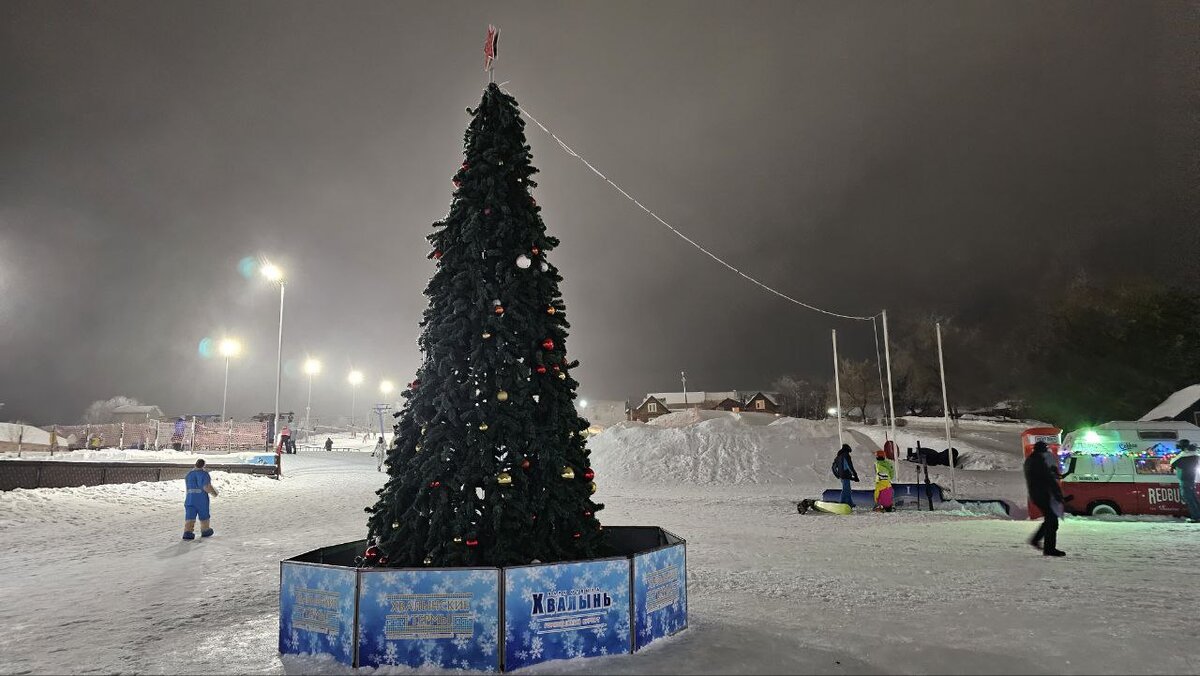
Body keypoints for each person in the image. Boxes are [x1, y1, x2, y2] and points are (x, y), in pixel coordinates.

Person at [1024, 440, 1066, 556]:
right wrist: (1057, 494)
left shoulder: (1031, 460)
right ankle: (1049, 549)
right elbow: (1047, 479)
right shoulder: (1038, 461)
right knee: (1052, 521)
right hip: (1042, 494)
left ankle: (1037, 540)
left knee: (1049, 519)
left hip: (1037, 494)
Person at [183, 459, 218, 540]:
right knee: (204, 514)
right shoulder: (204, 474)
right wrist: (214, 493)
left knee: (190, 515)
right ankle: (205, 530)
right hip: (201, 499)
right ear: (204, 465)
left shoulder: (189, 474)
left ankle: (188, 532)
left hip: (190, 499)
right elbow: (206, 487)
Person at [1170, 439, 1200, 522]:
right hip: (1191, 479)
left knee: (1189, 498)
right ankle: (1198, 515)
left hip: (1185, 479)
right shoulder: (1194, 455)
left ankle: (1196, 517)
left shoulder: (1185, 456)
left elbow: (1173, 462)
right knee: (1193, 498)